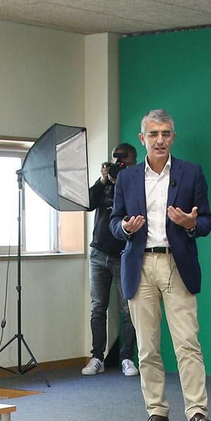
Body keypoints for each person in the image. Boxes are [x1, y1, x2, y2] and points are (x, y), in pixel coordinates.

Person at [111, 109, 211, 421]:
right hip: (139, 264)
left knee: (188, 343)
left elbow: (207, 221)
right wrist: (125, 227)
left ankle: (197, 413)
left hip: (176, 263)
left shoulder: (191, 173)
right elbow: (113, 222)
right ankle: (157, 413)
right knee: (147, 348)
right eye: (153, 134)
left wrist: (191, 224)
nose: (160, 140)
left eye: (166, 133)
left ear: (173, 137)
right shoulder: (127, 178)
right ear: (142, 139)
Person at [82, 142, 139, 379]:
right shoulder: (107, 182)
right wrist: (103, 181)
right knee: (98, 308)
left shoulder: (136, 183)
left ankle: (127, 358)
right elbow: (87, 202)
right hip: (98, 253)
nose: (119, 164)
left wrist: (121, 183)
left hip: (123, 255)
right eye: (116, 160)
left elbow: (137, 208)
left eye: (124, 160)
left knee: (128, 309)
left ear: (134, 161)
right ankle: (97, 357)